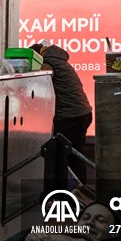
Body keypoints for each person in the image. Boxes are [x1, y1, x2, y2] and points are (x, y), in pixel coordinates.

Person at [30, 41, 93, 183]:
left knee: (57, 154)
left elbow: (41, 80)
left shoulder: (48, 62)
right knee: (74, 153)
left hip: (70, 116)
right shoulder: (60, 60)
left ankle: (58, 193)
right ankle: (81, 190)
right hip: (83, 113)